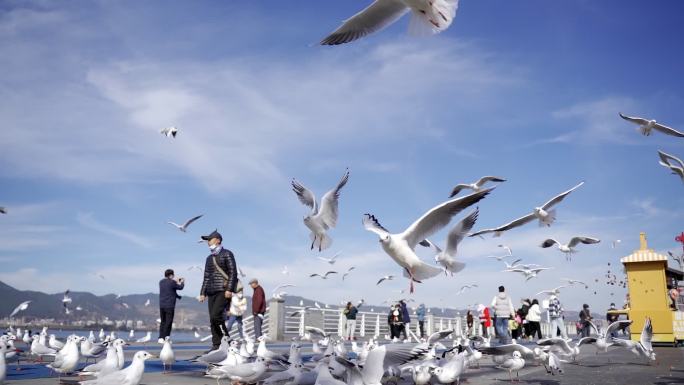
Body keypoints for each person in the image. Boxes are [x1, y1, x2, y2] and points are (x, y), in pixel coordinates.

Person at [198, 230, 238, 350]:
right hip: (211, 291)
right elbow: (206, 276)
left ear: (218, 240)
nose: (208, 242)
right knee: (212, 319)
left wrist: (229, 289)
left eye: (210, 239)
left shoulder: (227, 254)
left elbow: (233, 272)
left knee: (216, 316)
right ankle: (216, 345)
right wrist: (202, 292)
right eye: (207, 240)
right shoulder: (209, 258)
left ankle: (226, 339)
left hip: (223, 290)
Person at [158, 269, 184, 343]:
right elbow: (180, 288)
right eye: (173, 275)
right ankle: (166, 337)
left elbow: (170, 291)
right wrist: (182, 282)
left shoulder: (161, 282)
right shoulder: (172, 282)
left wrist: (178, 297)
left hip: (162, 305)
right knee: (168, 322)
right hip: (169, 305)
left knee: (163, 321)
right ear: (171, 275)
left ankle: (160, 338)